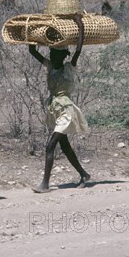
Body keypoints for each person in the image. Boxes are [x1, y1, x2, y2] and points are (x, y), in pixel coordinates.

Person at [28, 15, 90, 193]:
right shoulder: (49, 66)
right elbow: (32, 52)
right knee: (65, 146)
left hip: (66, 110)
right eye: (52, 54)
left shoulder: (69, 68)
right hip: (55, 109)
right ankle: (84, 174)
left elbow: (78, 49)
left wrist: (80, 27)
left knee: (50, 146)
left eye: (57, 54)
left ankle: (45, 184)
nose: (53, 57)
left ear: (63, 56)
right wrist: (33, 30)